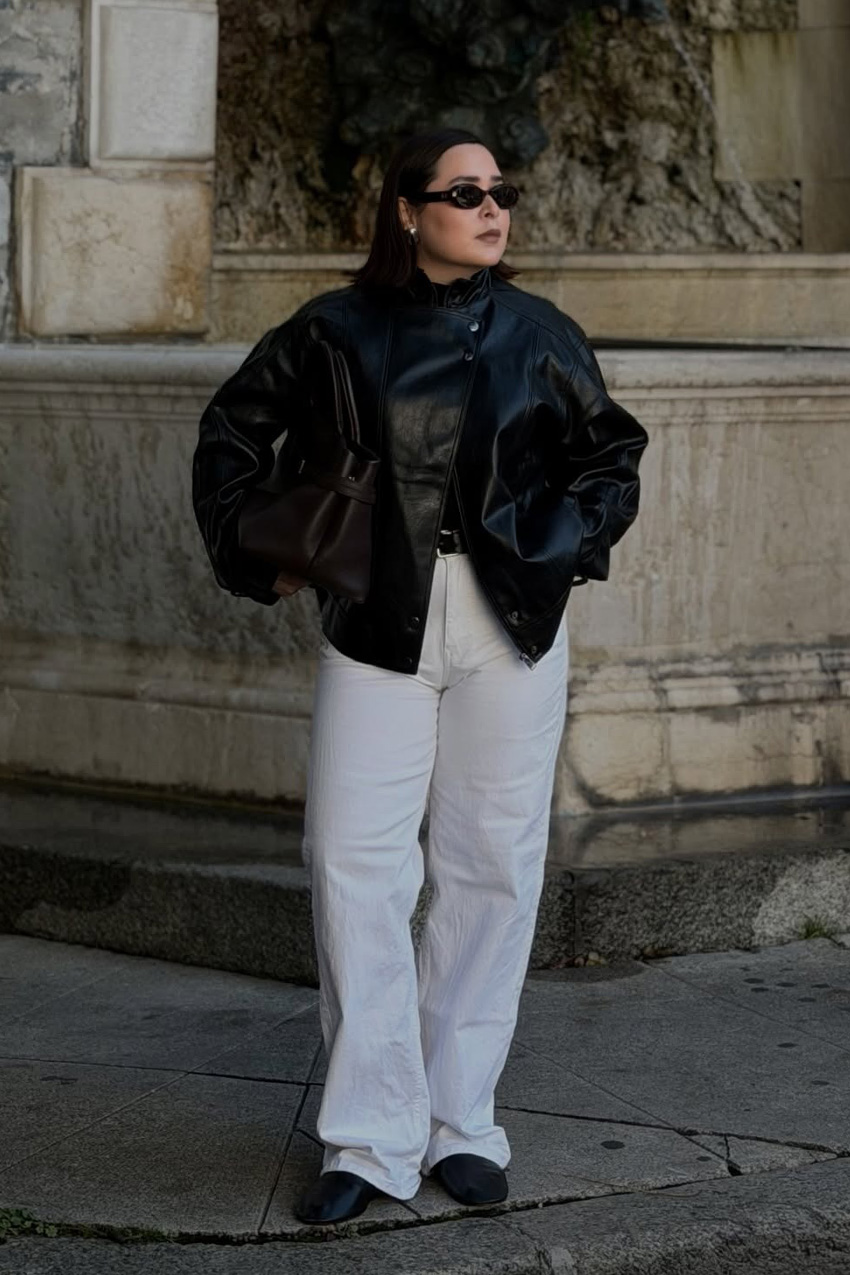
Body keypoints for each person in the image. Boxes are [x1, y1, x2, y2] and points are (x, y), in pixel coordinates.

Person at [192, 126, 649, 1226]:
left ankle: (459, 1125)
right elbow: (231, 439)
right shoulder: (334, 331)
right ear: (406, 210)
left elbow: (609, 459)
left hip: (509, 630)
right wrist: (269, 550)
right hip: (380, 629)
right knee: (353, 868)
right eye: (464, 192)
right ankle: (369, 1137)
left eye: (502, 191)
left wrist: (557, 547)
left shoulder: (541, 334)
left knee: (490, 870)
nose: (492, 209)